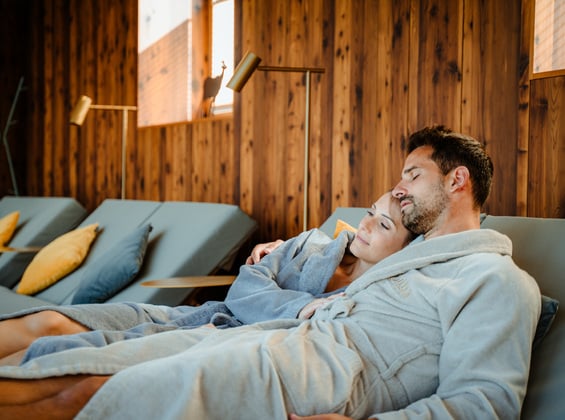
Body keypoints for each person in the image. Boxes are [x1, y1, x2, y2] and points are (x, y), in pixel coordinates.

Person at [0, 125, 541, 419]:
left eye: (412, 175)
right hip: (267, 339)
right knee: (79, 372)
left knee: (88, 396)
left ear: (457, 181)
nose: (397, 190)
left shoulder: (496, 280)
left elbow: (483, 401)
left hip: (318, 374)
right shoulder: (408, 260)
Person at [0, 191, 414, 366]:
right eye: (369, 212)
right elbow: (246, 284)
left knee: (69, 347)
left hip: (221, 342)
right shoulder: (312, 243)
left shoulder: (373, 298)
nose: (366, 226)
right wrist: (301, 305)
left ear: (407, 248)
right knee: (48, 321)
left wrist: (273, 298)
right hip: (198, 313)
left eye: (384, 226)